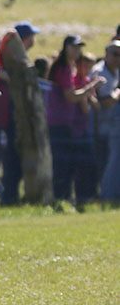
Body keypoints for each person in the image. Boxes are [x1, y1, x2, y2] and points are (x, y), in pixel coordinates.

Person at [47, 35, 105, 203]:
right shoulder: (64, 68)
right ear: (66, 47)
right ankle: (60, 199)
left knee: (68, 165)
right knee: (62, 165)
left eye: (79, 47)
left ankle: (65, 199)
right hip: (60, 124)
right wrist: (91, 87)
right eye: (74, 47)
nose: (77, 50)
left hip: (67, 124)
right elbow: (71, 97)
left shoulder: (71, 68)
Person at [91, 40, 120, 183]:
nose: (118, 58)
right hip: (98, 126)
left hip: (109, 125)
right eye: (115, 54)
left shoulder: (115, 70)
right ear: (106, 54)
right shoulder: (101, 72)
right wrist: (118, 94)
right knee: (103, 162)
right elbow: (106, 102)